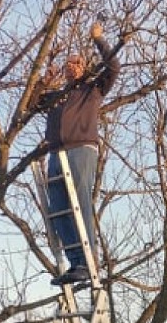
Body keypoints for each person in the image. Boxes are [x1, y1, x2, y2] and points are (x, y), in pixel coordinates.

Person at [31, 22, 120, 285]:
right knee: (58, 208)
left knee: (78, 203)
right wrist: (44, 81)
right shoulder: (57, 95)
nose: (72, 67)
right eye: (69, 64)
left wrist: (99, 40)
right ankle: (75, 262)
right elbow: (30, 104)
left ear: (84, 68)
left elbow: (114, 67)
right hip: (56, 153)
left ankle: (89, 260)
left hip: (80, 149)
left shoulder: (92, 90)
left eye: (77, 63)